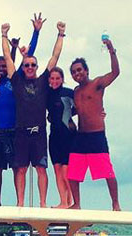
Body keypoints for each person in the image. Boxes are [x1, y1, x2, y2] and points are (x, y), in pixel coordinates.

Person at [2, 20, 65, 207]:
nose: (30, 67)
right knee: (20, 169)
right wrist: (4, 35)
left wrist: (60, 34)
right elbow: (7, 57)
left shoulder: (44, 81)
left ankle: (43, 203)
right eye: (27, 65)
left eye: (33, 65)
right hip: (21, 132)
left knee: (41, 169)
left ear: (37, 67)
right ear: (23, 67)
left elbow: (55, 56)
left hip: (39, 133)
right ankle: (20, 203)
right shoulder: (17, 82)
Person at [0, 14, 41, 206]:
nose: (0, 68)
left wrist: (36, 32)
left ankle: (18, 202)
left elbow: (28, 57)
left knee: (17, 167)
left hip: (16, 130)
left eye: (3, 65)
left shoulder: (16, 80)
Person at [67, 37, 120, 210]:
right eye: (74, 72)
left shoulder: (97, 84)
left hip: (96, 135)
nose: (77, 74)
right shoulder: (75, 91)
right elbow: (78, 110)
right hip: (81, 136)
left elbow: (115, 72)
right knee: (73, 173)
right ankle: (77, 203)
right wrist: (66, 117)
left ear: (86, 70)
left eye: (80, 70)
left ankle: (115, 203)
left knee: (107, 172)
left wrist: (111, 49)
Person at [46, 67, 76, 208]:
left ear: (62, 79)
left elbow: (81, 106)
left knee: (66, 171)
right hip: (54, 136)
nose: (55, 81)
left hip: (67, 135)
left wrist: (71, 119)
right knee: (57, 169)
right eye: (52, 78)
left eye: (58, 78)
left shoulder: (69, 93)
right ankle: (63, 202)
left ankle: (72, 201)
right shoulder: (47, 94)